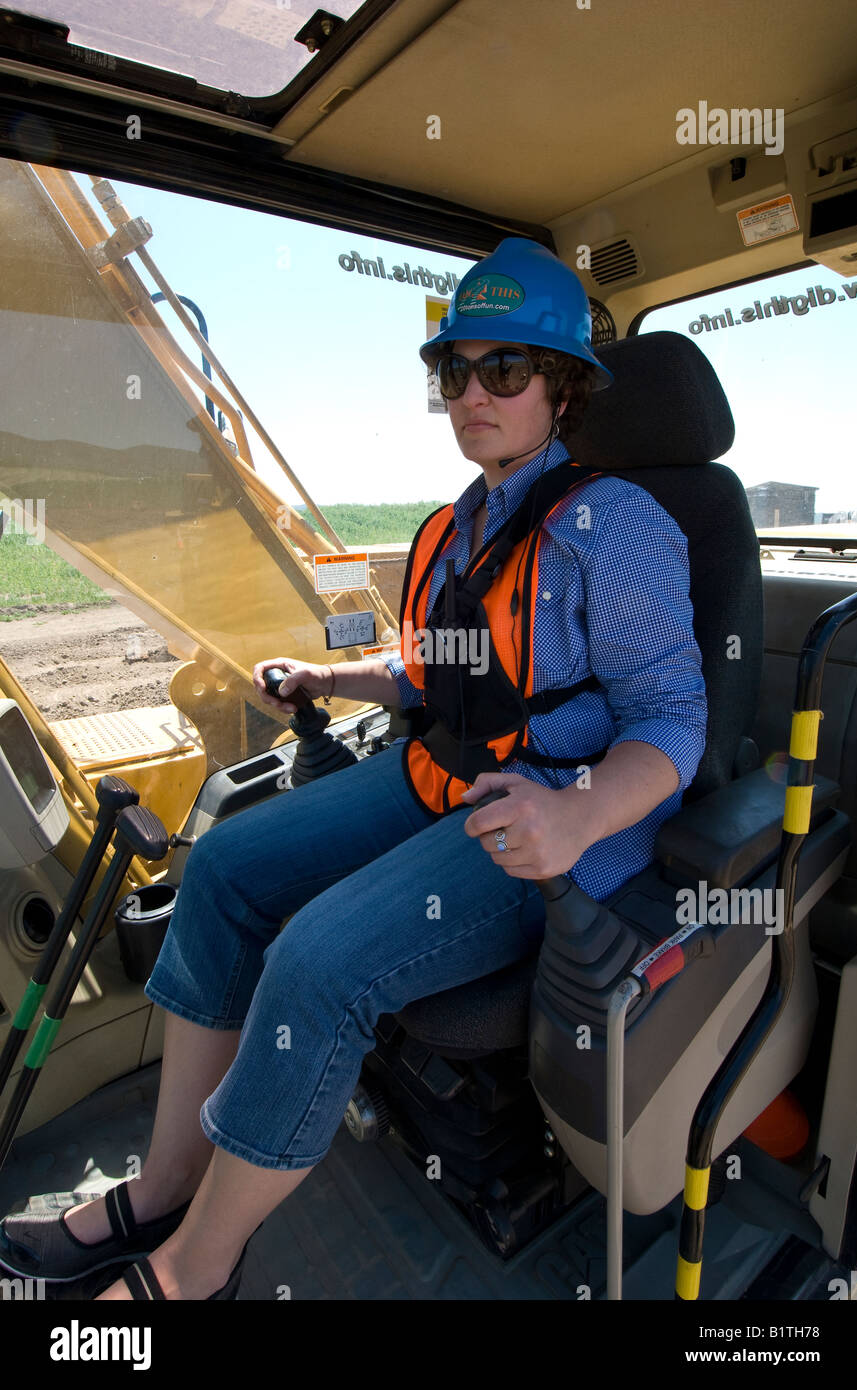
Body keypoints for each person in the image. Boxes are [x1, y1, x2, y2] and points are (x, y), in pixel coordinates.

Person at [0, 237, 706, 1300]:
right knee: (227, 865)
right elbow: (434, 673)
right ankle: (163, 1186)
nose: (473, 391)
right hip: (444, 774)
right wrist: (329, 677)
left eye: (505, 369)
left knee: (316, 962)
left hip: (547, 826)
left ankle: (194, 1272)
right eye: (454, 370)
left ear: (561, 388)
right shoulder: (461, 526)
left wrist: (577, 814)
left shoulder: (622, 529)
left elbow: (676, 721)